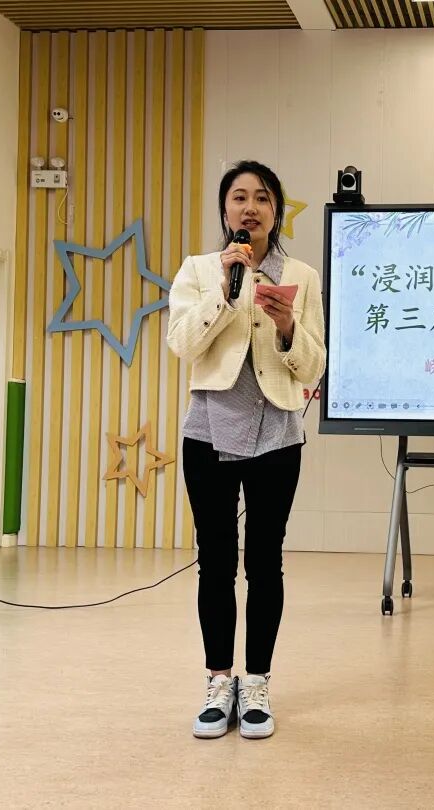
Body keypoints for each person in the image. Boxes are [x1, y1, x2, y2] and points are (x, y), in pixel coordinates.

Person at [166, 160, 326, 740]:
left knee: (264, 562)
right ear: (225, 209)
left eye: (262, 198)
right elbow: (183, 345)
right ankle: (218, 682)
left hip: (277, 432)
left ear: (276, 212)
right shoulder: (200, 270)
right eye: (239, 197)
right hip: (209, 430)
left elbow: (314, 364)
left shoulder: (302, 276)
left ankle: (256, 682)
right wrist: (226, 293)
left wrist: (287, 329)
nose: (250, 207)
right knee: (214, 561)